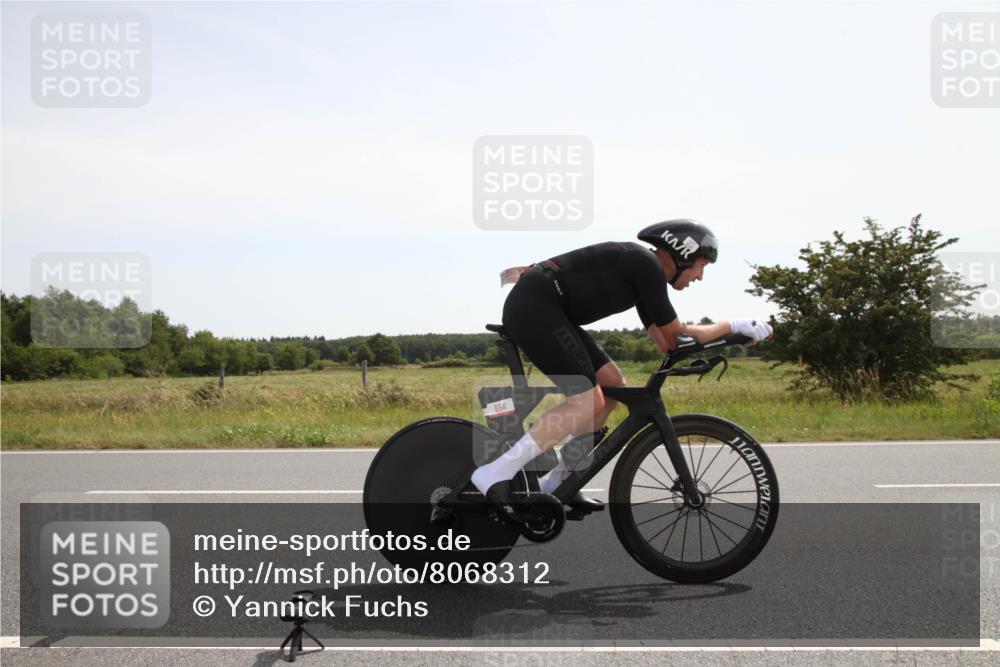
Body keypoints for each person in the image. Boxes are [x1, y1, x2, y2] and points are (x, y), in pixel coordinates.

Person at [471, 219, 774, 520]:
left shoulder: (646, 277)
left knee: (613, 384)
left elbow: (669, 344)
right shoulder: (645, 265)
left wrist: (731, 338)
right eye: (701, 265)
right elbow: (674, 334)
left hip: (548, 308)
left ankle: (559, 481)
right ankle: (495, 473)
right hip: (534, 307)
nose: (700, 276)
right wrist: (731, 326)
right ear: (683, 254)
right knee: (587, 401)